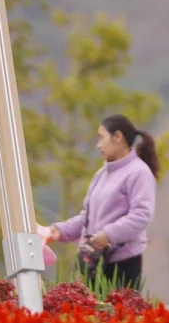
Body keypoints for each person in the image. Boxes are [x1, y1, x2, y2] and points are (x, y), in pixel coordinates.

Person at [38, 114, 159, 291]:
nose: (98, 145)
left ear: (118, 137)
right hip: (95, 263)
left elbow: (141, 215)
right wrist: (59, 230)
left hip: (122, 265)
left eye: (101, 138)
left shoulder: (139, 172)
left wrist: (108, 235)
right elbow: (87, 218)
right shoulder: (102, 174)